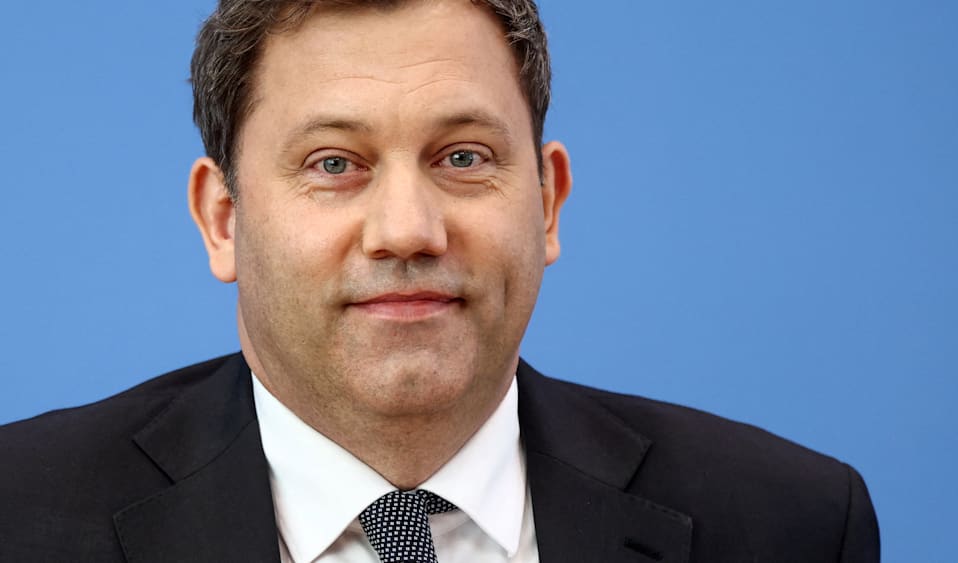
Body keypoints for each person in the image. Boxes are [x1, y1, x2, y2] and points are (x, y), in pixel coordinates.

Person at [0, 0, 879, 561]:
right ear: (223, 219)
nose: (408, 231)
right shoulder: (19, 514)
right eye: (334, 163)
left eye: (463, 157)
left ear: (548, 203)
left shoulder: (791, 523)